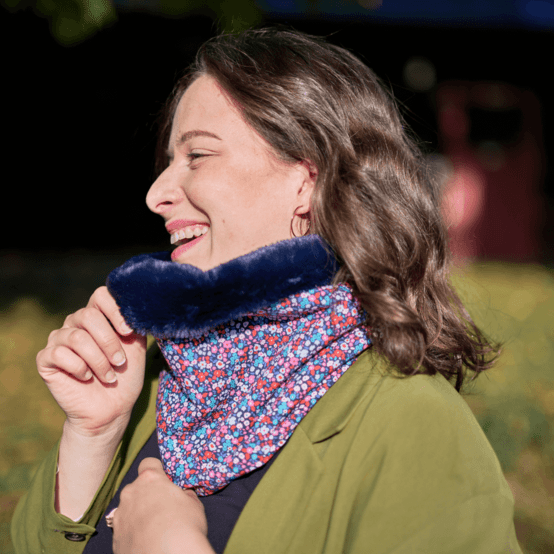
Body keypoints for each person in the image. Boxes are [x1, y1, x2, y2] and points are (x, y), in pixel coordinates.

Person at [12, 28, 522, 554]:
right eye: (168, 161)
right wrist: (92, 438)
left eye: (197, 155)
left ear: (307, 181)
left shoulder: (416, 428)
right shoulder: (155, 382)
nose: (156, 193)